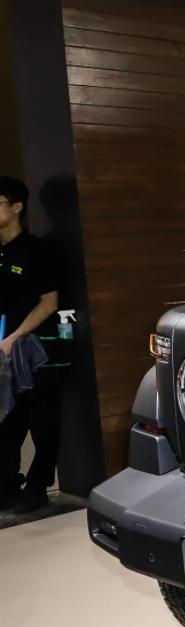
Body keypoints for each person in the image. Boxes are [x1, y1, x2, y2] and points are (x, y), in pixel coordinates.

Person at [0, 176, 61, 512]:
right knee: (7, 423)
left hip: (35, 349)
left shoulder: (38, 250)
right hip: (2, 350)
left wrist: (14, 337)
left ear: (17, 207)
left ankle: (38, 487)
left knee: (42, 421)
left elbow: (49, 303)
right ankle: (8, 485)